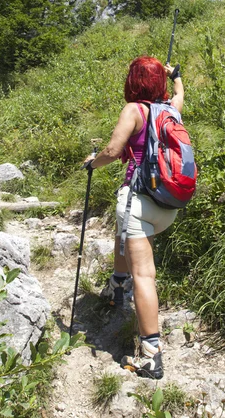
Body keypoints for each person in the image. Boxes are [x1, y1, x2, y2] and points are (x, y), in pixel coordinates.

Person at [83, 56, 183, 379]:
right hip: (166, 205)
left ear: (134, 82)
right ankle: (116, 284)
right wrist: (176, 76)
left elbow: (113, 151)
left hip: (138, 201)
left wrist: (91, 164)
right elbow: (181, 95)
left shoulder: (134, 111)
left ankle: (152, 354)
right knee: (123, 234)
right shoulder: (169, 108)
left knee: (145, 275)